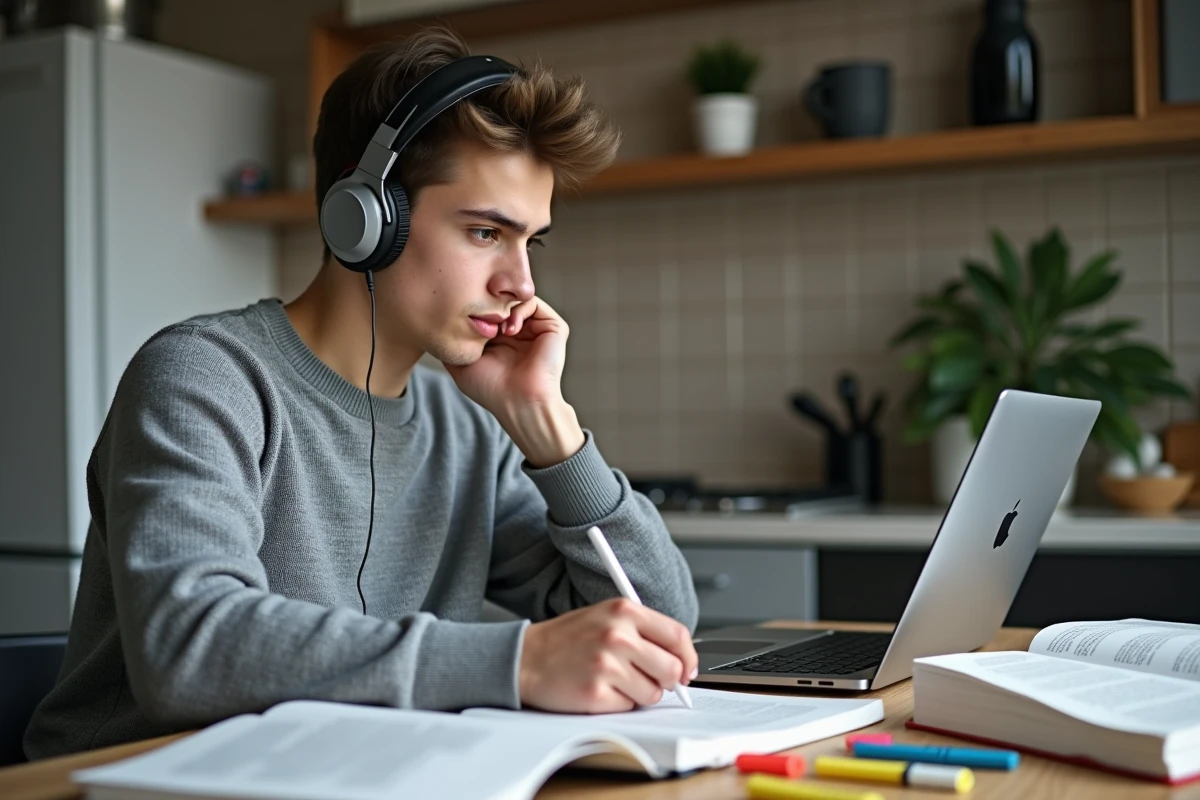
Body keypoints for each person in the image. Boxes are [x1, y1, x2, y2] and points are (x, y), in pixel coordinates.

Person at [24, 26, 699, 760]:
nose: (522, 285)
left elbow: (657, 627)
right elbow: (190, 647)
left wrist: (551, 430)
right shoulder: (203, 377)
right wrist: (521, 661)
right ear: (368, 216)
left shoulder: (463, 429)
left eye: (529, 242)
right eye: (484, 233)